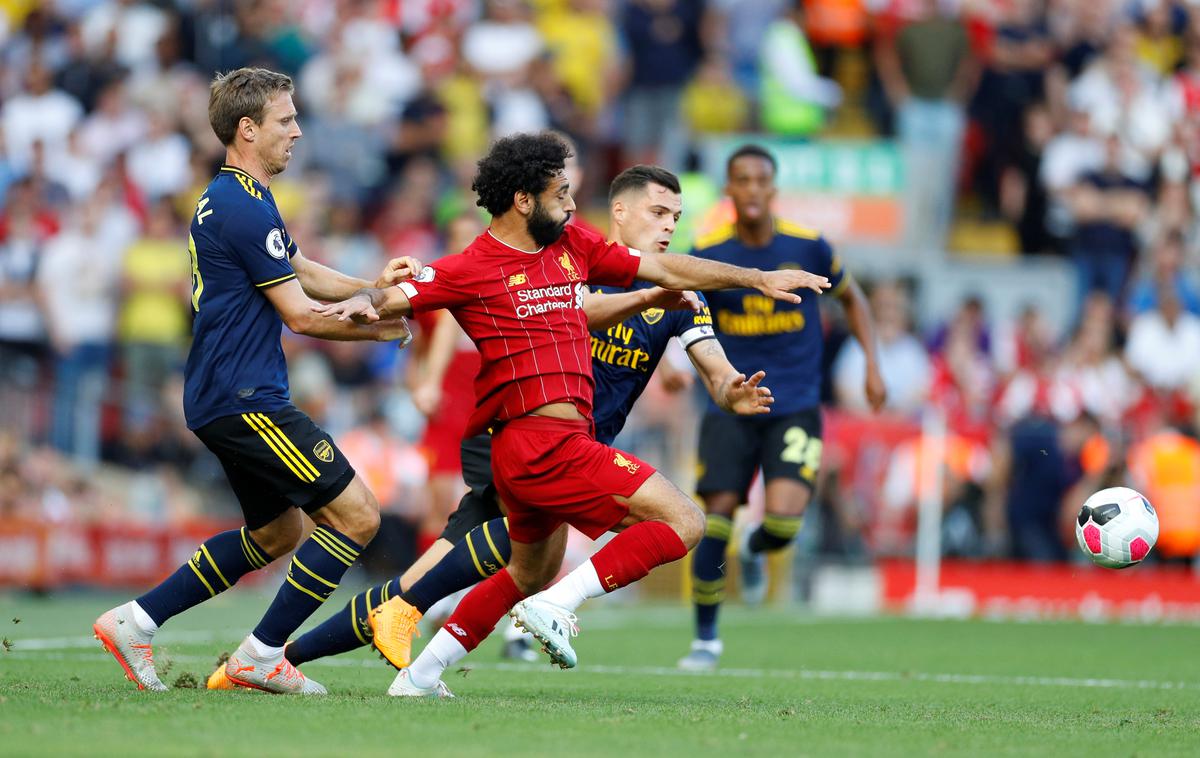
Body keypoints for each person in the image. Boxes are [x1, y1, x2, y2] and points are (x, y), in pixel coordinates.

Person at [204, 162, 779, 688]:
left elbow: (713, 364)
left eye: (676, 217)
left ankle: (358, 669)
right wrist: (649, 296)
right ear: (621, 212)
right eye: (658, 212)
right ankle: (284, 654)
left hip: (575, 451)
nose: (668, 226)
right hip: (521, 437)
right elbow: (564, 304)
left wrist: (733, 388)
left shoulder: (668, 293)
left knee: (522, 573)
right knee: (436, 581)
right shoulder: (571, 257)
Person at [91, 67, 415, 695]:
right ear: (248, 129)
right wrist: (384, 324)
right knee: (357, 516)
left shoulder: (240, 195)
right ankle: (262, 655)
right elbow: (300, 315)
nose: (297, 131)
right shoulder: (241, 203)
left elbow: (300, 271)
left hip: (224, 392)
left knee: (279, 532)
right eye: (286, 120)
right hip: (244, 396)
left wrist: (380, 291)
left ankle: (135, 620)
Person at [680, 143, 885, 671]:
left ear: (773, 189)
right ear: (728, 189)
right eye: (740, 180)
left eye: (760, 180)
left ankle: (756, 549)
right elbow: (685, 316)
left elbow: (852, 297)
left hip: (795, 404)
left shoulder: (810, 247)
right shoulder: (710, 251)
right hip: (731, 402)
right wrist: (678, 372)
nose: (750, 189)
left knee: (784, 524)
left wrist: (872, 365)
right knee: (715, 516)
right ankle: (705, 640)